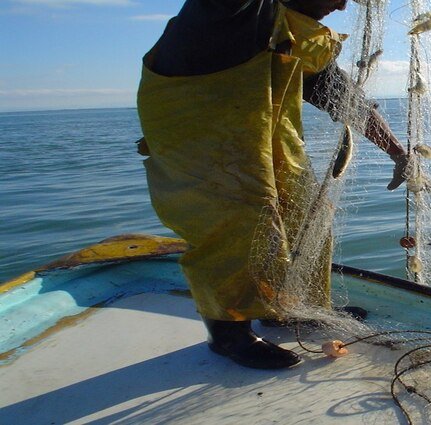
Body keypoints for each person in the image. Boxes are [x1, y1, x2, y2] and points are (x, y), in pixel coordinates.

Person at [137, 0, 408, 369]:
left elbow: (341, 95)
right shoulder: (229, 12)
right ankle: (227, 332)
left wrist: (396, 150)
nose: (343, 4)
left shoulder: (300, 34)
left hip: (265, 130)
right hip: (196, 133)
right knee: (238, 222)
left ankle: (292, 308)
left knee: (304, 209)